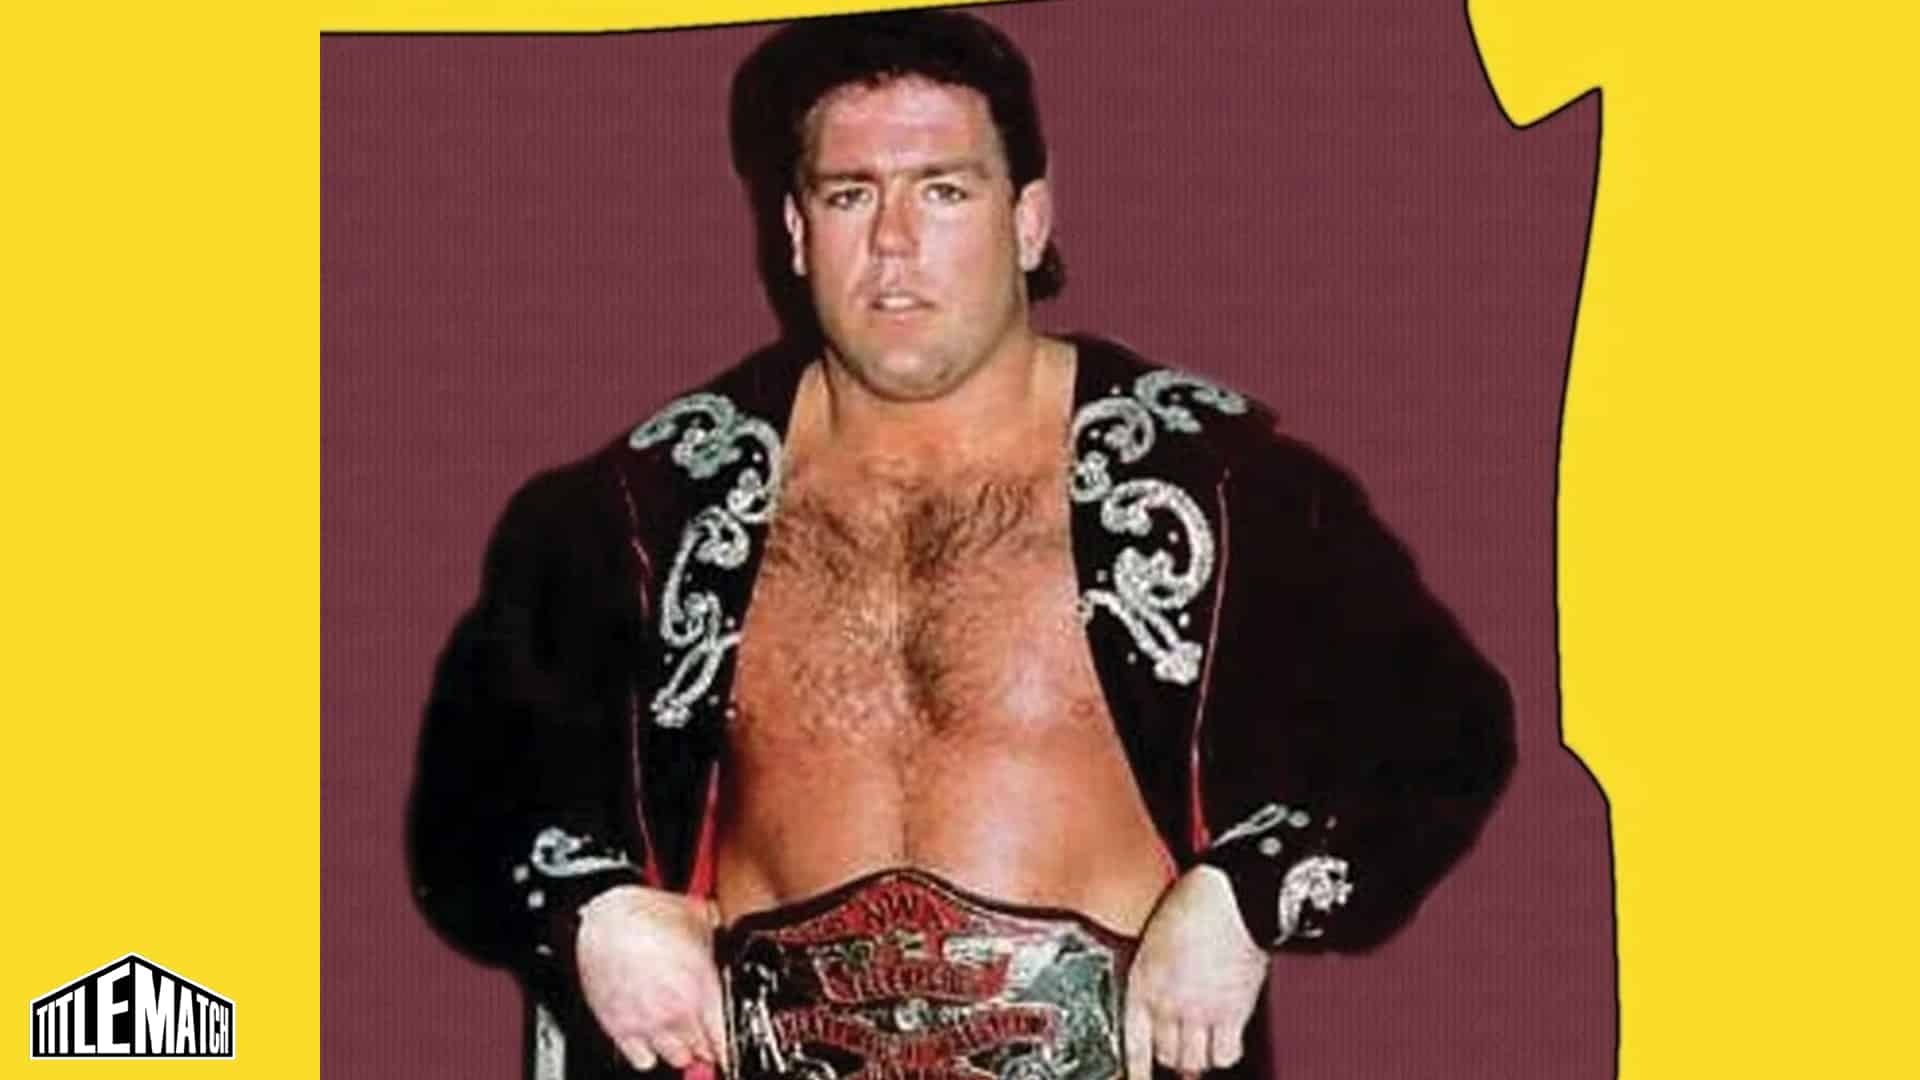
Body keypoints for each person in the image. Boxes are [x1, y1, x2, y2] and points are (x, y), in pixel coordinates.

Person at [410, 11, 1515, 1080]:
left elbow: (1445, 732)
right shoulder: (648, 511)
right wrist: (595, 912)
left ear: (1028, 220)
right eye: (850, 194)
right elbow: (471, 797)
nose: (893, 244)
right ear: (795, 231)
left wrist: (1243, 895)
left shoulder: (1214, 484)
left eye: (944, 190)